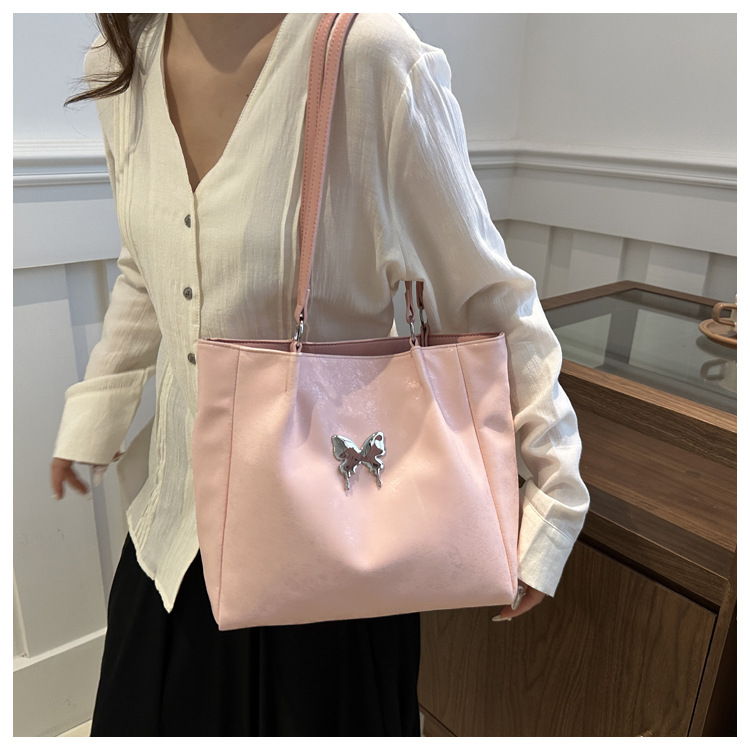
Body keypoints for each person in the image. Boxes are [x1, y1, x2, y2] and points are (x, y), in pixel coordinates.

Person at [50, 13, 589, 737]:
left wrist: (552, 499)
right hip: (169, 547)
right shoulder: (121, 59)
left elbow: (488, 297)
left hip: (333, 558)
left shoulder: (369, 55)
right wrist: (97, 414)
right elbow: (148, 266)